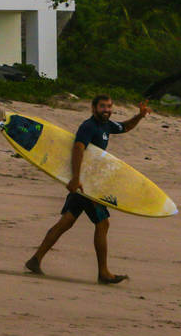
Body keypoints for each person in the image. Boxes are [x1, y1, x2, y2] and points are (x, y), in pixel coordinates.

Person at [25, 95, 151, 283]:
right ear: (93, 108)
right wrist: (76, 178)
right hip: (86, 184)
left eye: (109, 106)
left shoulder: (106, 126)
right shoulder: (88, 126)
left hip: (88, 182)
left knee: (66, 222)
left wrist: (139, 116)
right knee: (103, 223)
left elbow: (125, 127)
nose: (107, 109)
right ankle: (103, 273)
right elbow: (78, 148)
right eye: (102, 106)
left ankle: (35, 260)